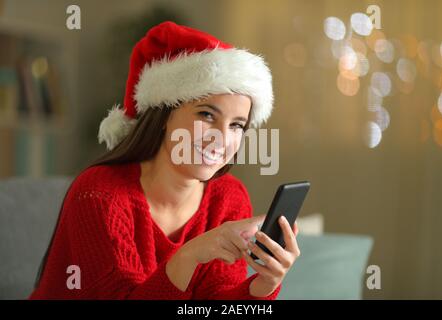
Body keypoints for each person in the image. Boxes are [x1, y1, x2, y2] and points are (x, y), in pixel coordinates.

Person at [29, 21, 300, 300]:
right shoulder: (99, 194)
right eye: (207, 115)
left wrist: (264, 285)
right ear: (164, 116)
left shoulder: (228, 197)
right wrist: (190, 256)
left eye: (237, 125)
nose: (221, 137)